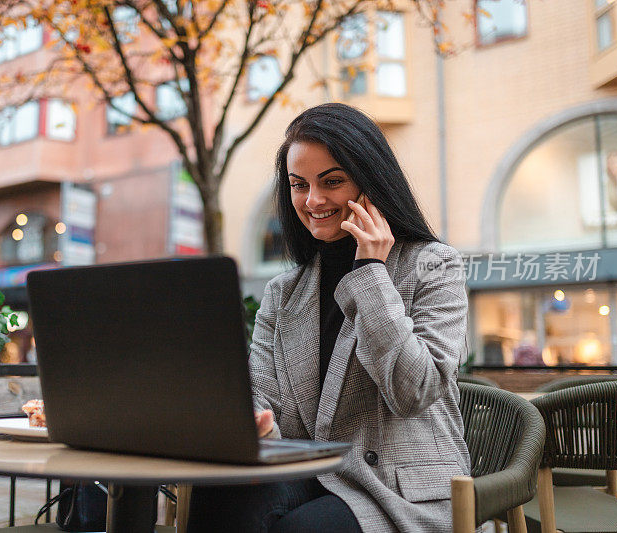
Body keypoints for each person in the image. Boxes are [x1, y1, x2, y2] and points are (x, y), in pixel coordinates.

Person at [188, 103, 470, 532]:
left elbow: (415, 390)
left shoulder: (433, 265)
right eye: (299, 185)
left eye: (332, 181)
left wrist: (372, 273)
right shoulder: (284, 293)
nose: (313, 200)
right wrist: (252, 417)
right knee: (221, 497)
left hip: (396, 488)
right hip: (310, 472)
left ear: (371, 183)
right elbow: (262, 392)